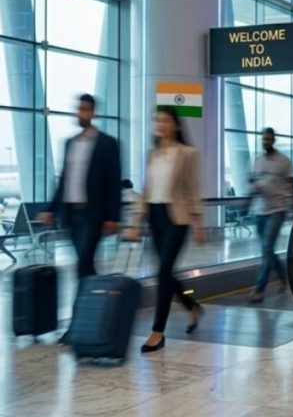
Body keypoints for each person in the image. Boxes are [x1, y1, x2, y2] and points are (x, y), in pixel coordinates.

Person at [124, 107, 205, 354]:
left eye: (165, 120)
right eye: (157, 120)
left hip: (176, 218)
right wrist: (136, 223)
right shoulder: (152, 154)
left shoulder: (187, 154)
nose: (160, 124)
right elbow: (146, 190)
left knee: (162, 272)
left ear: (176, 125)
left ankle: (157, 331)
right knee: (166, 273)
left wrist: (198, 223)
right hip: (154, 217)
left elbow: (192, 189)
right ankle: (191, 306)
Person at [40, 93, 121, 280]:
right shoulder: (70, 143)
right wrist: (50, 210)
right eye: (78, 109)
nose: (80, 114)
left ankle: (81, 306)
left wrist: (112, 217)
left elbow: (113, 182)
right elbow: (63, 181)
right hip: (71, 214)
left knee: (83, 263)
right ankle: (97, 299)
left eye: (84, 110)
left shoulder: (107, 144)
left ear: (93, 113)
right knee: (85, 265)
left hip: (93, 215)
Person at [248, 127, 293, 303]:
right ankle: (284, 277)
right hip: (259, 211)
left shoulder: (283, 161)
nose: (266, 142)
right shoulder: (257, 161)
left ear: (274, 140)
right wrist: (247, 204)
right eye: (264, 139)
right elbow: (254, 185)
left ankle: (259, 289)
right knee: (267, 250)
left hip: (277, 210)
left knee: (267, 248)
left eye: (269, 139)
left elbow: (292, 183)